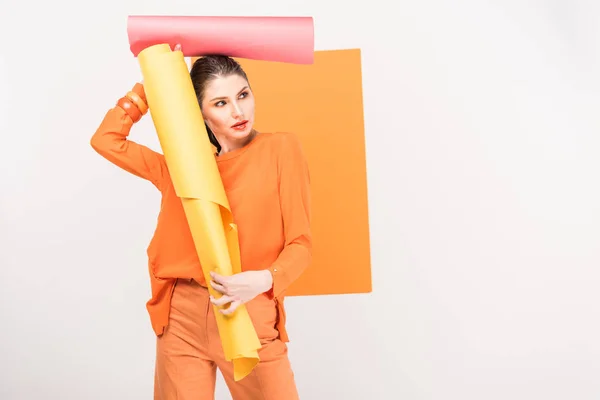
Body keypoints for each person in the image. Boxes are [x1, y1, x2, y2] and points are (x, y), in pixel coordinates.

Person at [90, 44, 312, 400]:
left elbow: (301, 244)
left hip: (248, 309)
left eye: (243, 94)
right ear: (201, 113)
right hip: (181, 317)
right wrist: (149, 86)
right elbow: (106, 140)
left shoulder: (281, 150)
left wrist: (262, 280)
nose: (238, 111)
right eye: (220, 103)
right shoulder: (180, 166)